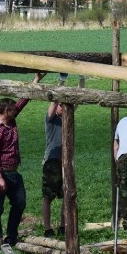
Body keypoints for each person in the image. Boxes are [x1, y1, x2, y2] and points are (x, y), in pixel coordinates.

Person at [0, 72, 45, 246]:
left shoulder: (10, 121)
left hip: (13, 171)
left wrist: (35, 81)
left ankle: (11, 235)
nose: (15, 111)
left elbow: (22, 102)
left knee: (19, 203)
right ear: (5, 111)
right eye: (12, 110)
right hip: (0, 172)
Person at [42, 99, 70, 238]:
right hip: (52, 161)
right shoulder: (50, 120)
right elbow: (52, 104)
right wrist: (61, 82)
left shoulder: (67, 118)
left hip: (65, 162)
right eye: (61, 105)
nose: (62, 107)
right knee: (48, 197)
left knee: (67, 195)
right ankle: (48, 228)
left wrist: (81, 80)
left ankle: (63, 226)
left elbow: (74, 103)